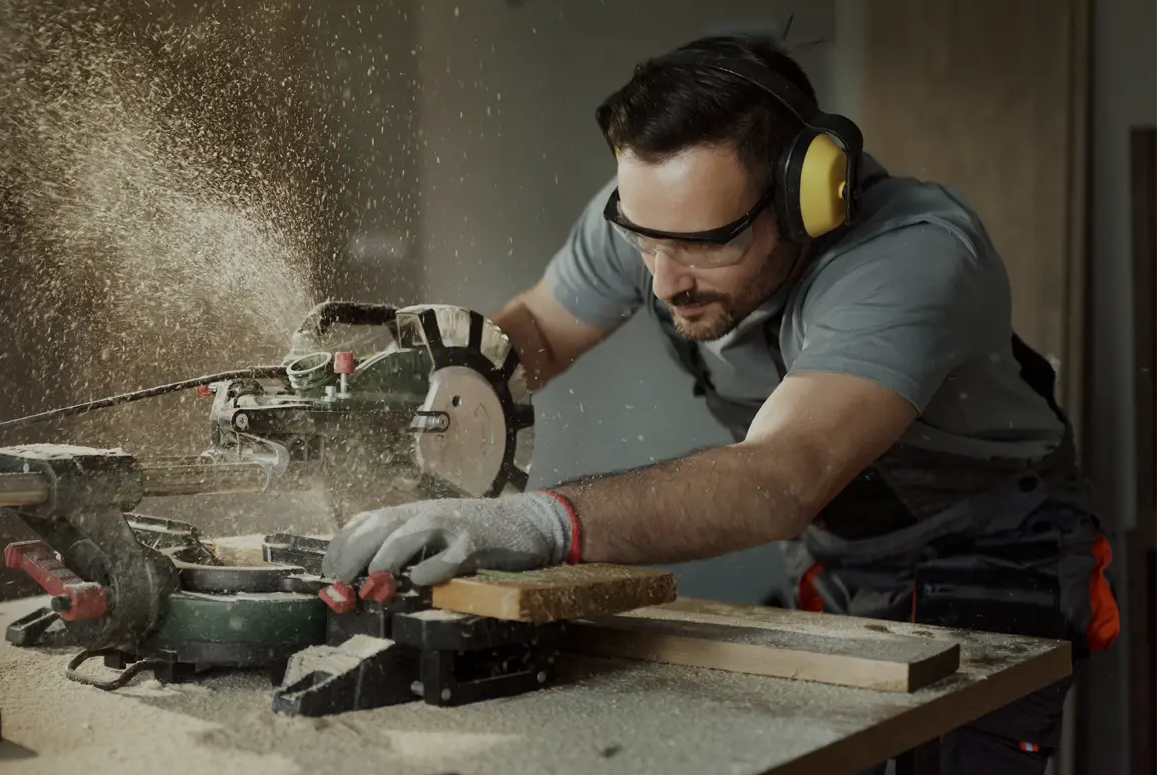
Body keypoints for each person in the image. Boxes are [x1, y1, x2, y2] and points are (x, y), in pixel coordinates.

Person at [323, 35, 1116, 774]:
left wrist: (534, 523)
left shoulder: (913, 258)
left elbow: (782, 476)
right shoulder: (657, 214)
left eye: (704, 246)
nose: (664, 280)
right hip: (834, 549)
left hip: (988, 555)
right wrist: (423, 391)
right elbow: (536, 334)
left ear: (805, 198)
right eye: (644, 240)